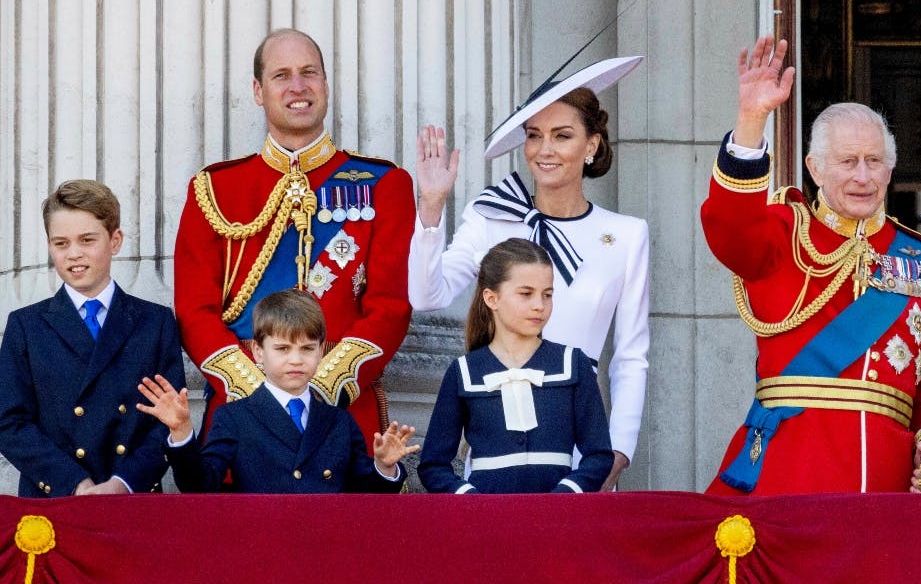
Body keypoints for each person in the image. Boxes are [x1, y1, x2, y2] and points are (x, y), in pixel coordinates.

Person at [702, 35, 921, 495]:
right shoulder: (782, 232)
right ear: (815, 169)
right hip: (789, 471)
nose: (863, 176)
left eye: (874, 161)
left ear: (890, 171)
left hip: (887, 481)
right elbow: (729, 228)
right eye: (847, 161)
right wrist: (751, 121)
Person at [409, 55, 648, 490]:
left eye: (563, 136)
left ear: (592, 144)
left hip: (581, 439)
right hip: (496, 436)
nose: (545, 150)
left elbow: (630, 356)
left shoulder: (627, 235)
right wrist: (431, 207)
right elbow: (428, 296)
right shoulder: (492, 216)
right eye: (534, 136)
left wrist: (617, 452)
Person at [173, 28, 417, 445]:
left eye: (309, 72)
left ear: (325, 83)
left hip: (341, 418)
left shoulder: (384, 184)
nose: (298, 86)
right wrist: (259, 396)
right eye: (281, 75)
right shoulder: (213, 190)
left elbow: (390, 307)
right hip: (242, 418)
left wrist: (319, 389)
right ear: (258, 90)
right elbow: (194, 311)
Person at [0, 180, 185, 497]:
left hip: (131, 498)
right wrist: (75, 483)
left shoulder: (155, 322)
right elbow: (9, 424)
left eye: (87, 240)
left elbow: (166, 422)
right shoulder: (25, 326)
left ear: (115, 241)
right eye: (61, 243)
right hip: (56, 499)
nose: (74, 254)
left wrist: (122, 484)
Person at [138, 289, 419, 493]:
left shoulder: (340, 423)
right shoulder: (234, 418)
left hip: (327, 552)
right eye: (283, 349)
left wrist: (384, 468)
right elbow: (199, 485)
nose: (296, 360)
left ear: (322, 351)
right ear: (258, 351)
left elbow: (365, 497)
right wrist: (181, 434)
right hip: (261, 552)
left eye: (307, 349)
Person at [417, 239, 614, 494]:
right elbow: (433, 465)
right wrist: (471, 500)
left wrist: (566, 495)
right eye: (526, 293)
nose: (539, 306)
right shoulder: (463, 372)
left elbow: (599, 454)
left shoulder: (572, 364)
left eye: (548, 294)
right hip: (487, 522)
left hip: (559, 522)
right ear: (491, 298)